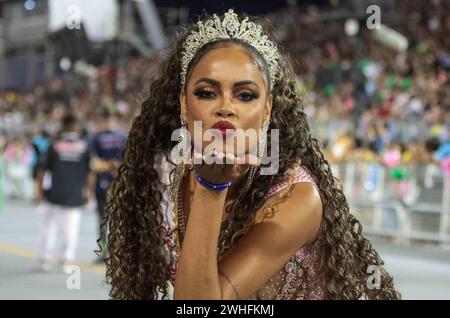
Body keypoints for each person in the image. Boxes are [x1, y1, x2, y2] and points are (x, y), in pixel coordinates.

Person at [102, 9, 401, 300]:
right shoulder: (164, 173)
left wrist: (211, 189)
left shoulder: (296, 196)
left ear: (267, 109)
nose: (226, 107)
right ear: (183, 102)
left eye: (245, 95)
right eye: (207, 92)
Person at [33, 114, 93, 272]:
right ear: (76, 126)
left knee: (47, 227)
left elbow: (41, 170)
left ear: (63, 125)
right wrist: (88, 191)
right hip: (74, 194)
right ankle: (66, 261)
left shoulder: (54, 145)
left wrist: (38, 192)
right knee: (71, 230)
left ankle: (43, 260)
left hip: (53, 193)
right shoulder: (84, 146)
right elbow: (89, 172)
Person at [90, 111, 126, 263]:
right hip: (119, 183)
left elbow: (93, 163)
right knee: (118, 219)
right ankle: (116, 251)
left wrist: (105, 165)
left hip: (102, 184)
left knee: (102, 219)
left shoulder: (96, 138)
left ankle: (104, 251)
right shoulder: (123, 137)